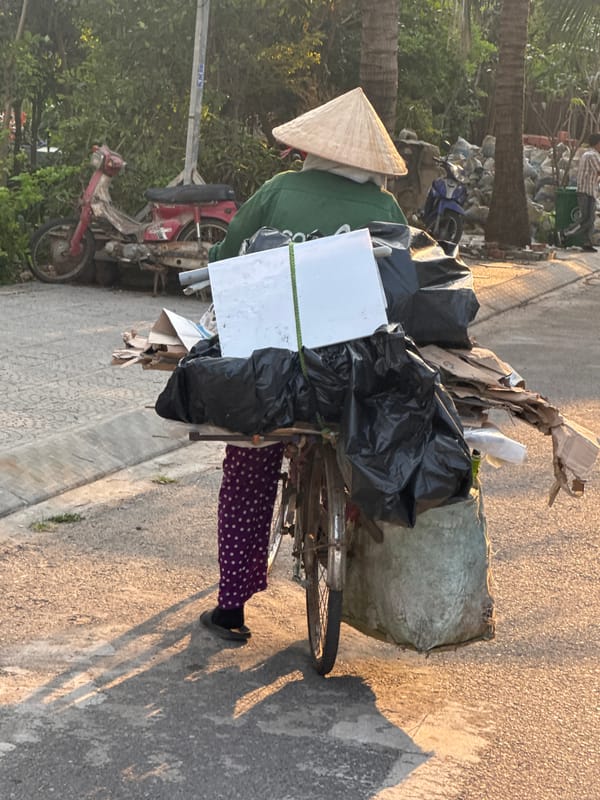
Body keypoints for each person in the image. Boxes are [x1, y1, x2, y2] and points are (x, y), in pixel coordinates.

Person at [200, 87, 408, 641]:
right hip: (349, 373)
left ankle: (232, 608)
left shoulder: (277, 191)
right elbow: (404, 285)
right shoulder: (384, 207)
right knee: (360, 450)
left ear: (311, 150)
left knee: (248, 471)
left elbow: (226, 258)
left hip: (272, 371)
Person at [560, 133, 600, 253]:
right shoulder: (592, 155)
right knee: (585, 218)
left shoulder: (590, 154)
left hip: (590, 190)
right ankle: (564, 233)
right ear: (598, 144)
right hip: (586, 190)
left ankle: (586, 242)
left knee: (590, 218)